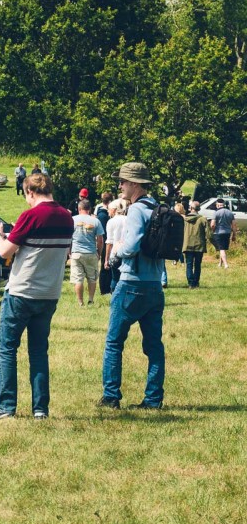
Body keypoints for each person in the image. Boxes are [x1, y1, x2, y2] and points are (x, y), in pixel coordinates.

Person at [0, 172, 73, 420]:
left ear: (30, 192)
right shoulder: (67, 217)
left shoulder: (31, 215)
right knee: (38, 351)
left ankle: (6, 407)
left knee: (7, 348)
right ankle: (40, 408)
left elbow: (5, 251)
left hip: (22, 291)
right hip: (49, 293)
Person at [100, 162, 167, 410]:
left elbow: (132, 246)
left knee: (114, 342)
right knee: (154, 346)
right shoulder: (157, 207)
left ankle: (111, 396)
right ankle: (153, 399)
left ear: (135, 184)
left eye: (123, 182)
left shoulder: (137, 210)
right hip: (154, 284)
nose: (120, 186)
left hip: (131, 283)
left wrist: (116, 252)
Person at [70, 200, 105, 306]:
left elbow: (68, 238)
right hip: (91, 252)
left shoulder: (72, 220)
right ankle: (90, 300)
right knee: (92, 278)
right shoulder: (96, 221)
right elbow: (100, 240)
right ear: (89, 209)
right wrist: (99, 252)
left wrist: (69, 252)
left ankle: (80, 302)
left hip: (76, 252)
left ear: (79, 209)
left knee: (78, 279)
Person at [183, 199, 209, 288]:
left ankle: (190, 283)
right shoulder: (202, 219)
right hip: (199, 245)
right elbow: (209, 233)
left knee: (189, 265)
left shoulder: (185, 219)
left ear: (190, 208)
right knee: (197, 265)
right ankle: (196, 282)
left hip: (187, 244)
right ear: (199, 209)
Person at [104, 198, 128, 291]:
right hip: (127, 251)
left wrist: (106, 259)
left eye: (109, 209)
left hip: (115, 253)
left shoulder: (111, 221)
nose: (108, 211)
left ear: (114, 210)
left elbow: (109, 242)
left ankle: (114, 294)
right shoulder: (128, 219)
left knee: (115, 278)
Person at [210, 198, 236, 269]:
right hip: (227, 232)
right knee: (223, 248)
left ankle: (226, 264)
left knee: (221, 249)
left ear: (217, 205)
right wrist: (234, 235)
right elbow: (234, 225)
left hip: (218, 232)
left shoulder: (216, 212)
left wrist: (213, 230)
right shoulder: (230, 212)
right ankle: (220, 264)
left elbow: (212, 225)